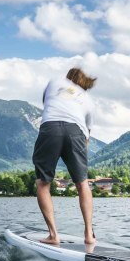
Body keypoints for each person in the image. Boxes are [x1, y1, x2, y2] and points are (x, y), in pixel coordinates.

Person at [32, 67, 96, 245]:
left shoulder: (54, 81)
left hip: (51, 127)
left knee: (43, 183)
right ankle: (89, 235)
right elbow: (87, 137)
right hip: (77, 131)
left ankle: (53, 235)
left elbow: (47, 103)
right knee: (82, 183)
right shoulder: (88, 100)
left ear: (69, 76)